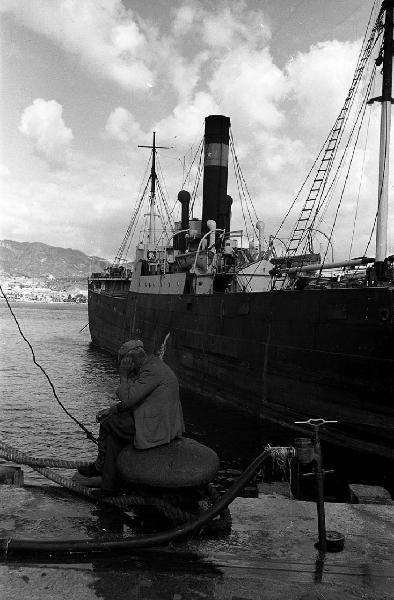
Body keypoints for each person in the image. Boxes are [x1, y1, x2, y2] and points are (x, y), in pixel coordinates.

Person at [78, 338, 185, 496]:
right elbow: (139, 397)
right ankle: (109, 488)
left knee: (108, 424)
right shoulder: (152, 365)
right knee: (114, 439)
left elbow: (128, 400)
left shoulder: (151, 371)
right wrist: (113, 409)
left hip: (158, 427)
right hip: (156, 419)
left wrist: (124, 376)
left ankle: (99, 466)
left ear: (131, 359)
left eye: (124, 362)